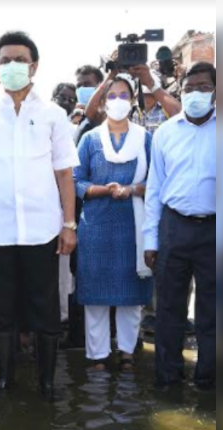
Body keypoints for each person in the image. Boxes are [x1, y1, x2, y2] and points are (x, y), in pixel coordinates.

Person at [0, 31, 79, 392]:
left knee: (45, 311)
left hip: (43, 230)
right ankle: (7, 385)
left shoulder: (53, 115)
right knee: (2, 312)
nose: (12, 66)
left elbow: (64, 174)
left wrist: (69, 224)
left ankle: (46, 386)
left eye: (19, 60)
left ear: (34, 66)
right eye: (5, 61)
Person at [143, 62, 216, 390]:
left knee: (212, 312)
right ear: (180, 92)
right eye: (189, 89)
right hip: (173, 227)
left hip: (217, 229)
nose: (195, 94)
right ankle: (167, 378)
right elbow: (154, 189)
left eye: (203, 87)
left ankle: (208, 379)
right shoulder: (165, 133)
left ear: (216, 91)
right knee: (169, 310)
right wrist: (150, 240)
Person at [73, 75, 154, 371]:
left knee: (130, 295)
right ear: (104, 101)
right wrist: (101, 190)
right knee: (95, 295)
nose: (118, 101)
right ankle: (97, 355)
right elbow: (75, 179)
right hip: (96, 224)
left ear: (132, 101)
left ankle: (128, 351)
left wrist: (132, 189)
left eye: (124, 95)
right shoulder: (90, 139)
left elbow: (157, 181)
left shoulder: (145, 138)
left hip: (134, 226)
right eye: (112, 95)